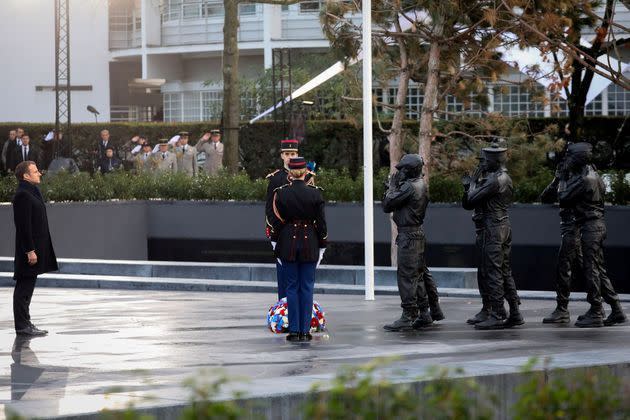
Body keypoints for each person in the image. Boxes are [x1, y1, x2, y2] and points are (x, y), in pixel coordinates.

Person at [558, 142, 627, 328]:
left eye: (570, 157)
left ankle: (596, 310)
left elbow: (563, 198)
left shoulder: (584, 179)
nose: (567, 160)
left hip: (590, 227)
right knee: (598, 269)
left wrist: (562, 177)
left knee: (591, 270)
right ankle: (617, 309)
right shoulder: (594, 174)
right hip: (595, 226)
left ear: (578, 159)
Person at [462, 144, 523, 330]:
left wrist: (470, 184)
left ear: (495, 161)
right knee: (503, 270)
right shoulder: (503, 177)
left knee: (493, 271)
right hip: (502, 225)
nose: (483, 164)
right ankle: (514, 312)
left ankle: (498, 313)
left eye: (486, 161)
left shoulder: (495, 180)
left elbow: (469, 201)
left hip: (493, 228)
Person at [382, 154, 443, 331]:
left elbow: (387, 204)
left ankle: (408, 315)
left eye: (402, 170)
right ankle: (425, 312)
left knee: (407, 277)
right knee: (419, 275)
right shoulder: (420, 184)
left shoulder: (409, 187)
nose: (399, 172)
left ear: (409, 170)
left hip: (409, 236)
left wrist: (392, 188)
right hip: (415, 234)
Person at [270, 157, 327, 342]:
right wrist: (322, 245)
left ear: (290, 173)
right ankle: (305, 330)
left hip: (288, 243)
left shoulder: (281, 193)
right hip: (310, 242)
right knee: (307, 287)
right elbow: (321, 224)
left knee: (292, 287)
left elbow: (277, 221)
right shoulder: (316, 193)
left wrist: (274, 241)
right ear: (304, 172)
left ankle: (294, 331)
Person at [12, 161, 58, 336]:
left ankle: (26, 323)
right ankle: (22, 326)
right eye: (35, 171)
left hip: (36, 248)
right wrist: (30, 250)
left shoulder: (32, 191)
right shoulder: (22, 195)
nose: (39, 173)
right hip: (29, 250)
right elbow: (23, 226)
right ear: (25, 176)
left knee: (28, 287)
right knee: (24, 287)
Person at [539, 151, 584, 324]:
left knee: (564, 269)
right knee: (588, 269)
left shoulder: (580, 178)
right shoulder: (566, 178)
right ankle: (608, 307)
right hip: (569, 228)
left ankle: (562, 309)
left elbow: (564, 199)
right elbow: (545, 198)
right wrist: (557, 179)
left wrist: (562, 179)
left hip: (574, 228)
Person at [266, 139, 299, 300]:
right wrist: (276, 230)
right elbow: (269, 209)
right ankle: (284, 311)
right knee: (283, 275)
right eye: (287, 154)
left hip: (302, 233)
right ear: (281, 156)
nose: (290, 157)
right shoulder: (275, 179)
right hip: (283, 233)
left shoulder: (306, 177)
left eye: (293, 154)